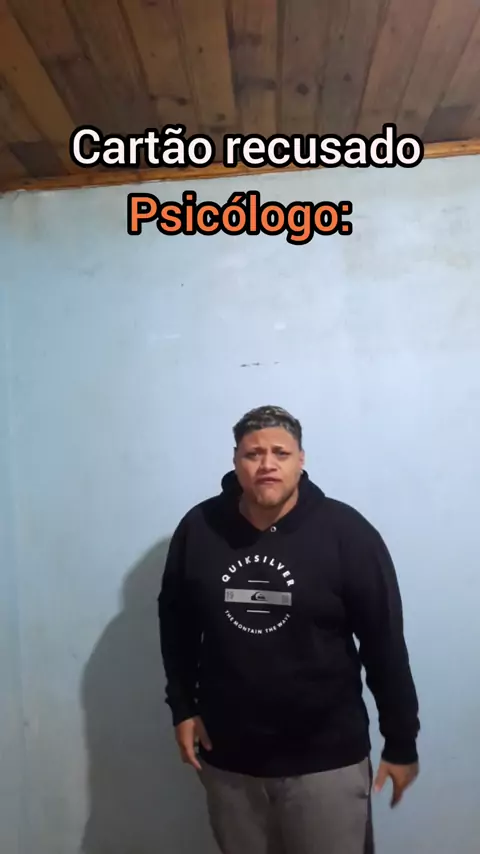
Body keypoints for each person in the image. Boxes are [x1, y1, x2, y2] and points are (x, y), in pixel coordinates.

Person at [158, 405, 420, 854]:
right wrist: (182, 707)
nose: (267, 464)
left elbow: (384, 644)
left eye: (280, 453)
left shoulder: (346, 534)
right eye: (252, 454)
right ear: (236, 461)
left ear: (301, 459)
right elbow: (176, 624)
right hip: (229, 761)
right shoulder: (199, 529)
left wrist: (401, 743)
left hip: (326, 762)